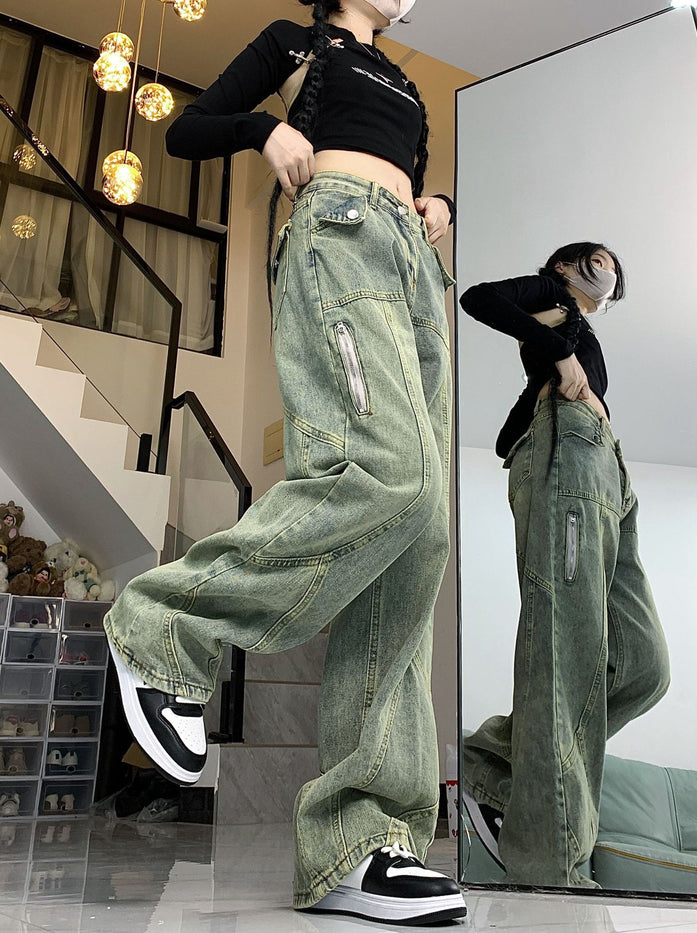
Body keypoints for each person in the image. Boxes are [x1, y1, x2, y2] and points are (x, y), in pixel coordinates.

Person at [103, 0, 466, 925]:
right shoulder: (297, 42)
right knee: (388, 471)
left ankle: (362, 840)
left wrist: (437, 205)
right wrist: (264, 130)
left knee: (419, 530)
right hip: (337, 234)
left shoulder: (407, 82)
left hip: (412, 271)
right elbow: (188, 129)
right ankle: (164, 623)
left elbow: (402, 166)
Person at [459, 243, 671, 888]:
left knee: (643, 667)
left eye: (615, 266)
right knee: (567, 650)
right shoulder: (550, 295)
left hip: (607, 464)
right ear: (566, 265)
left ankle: (492, 764)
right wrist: (558, 350)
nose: (609, 269)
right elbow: (478, 298)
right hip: (568, 447)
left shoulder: (576, 322)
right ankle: (550, 865)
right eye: (598, 259)